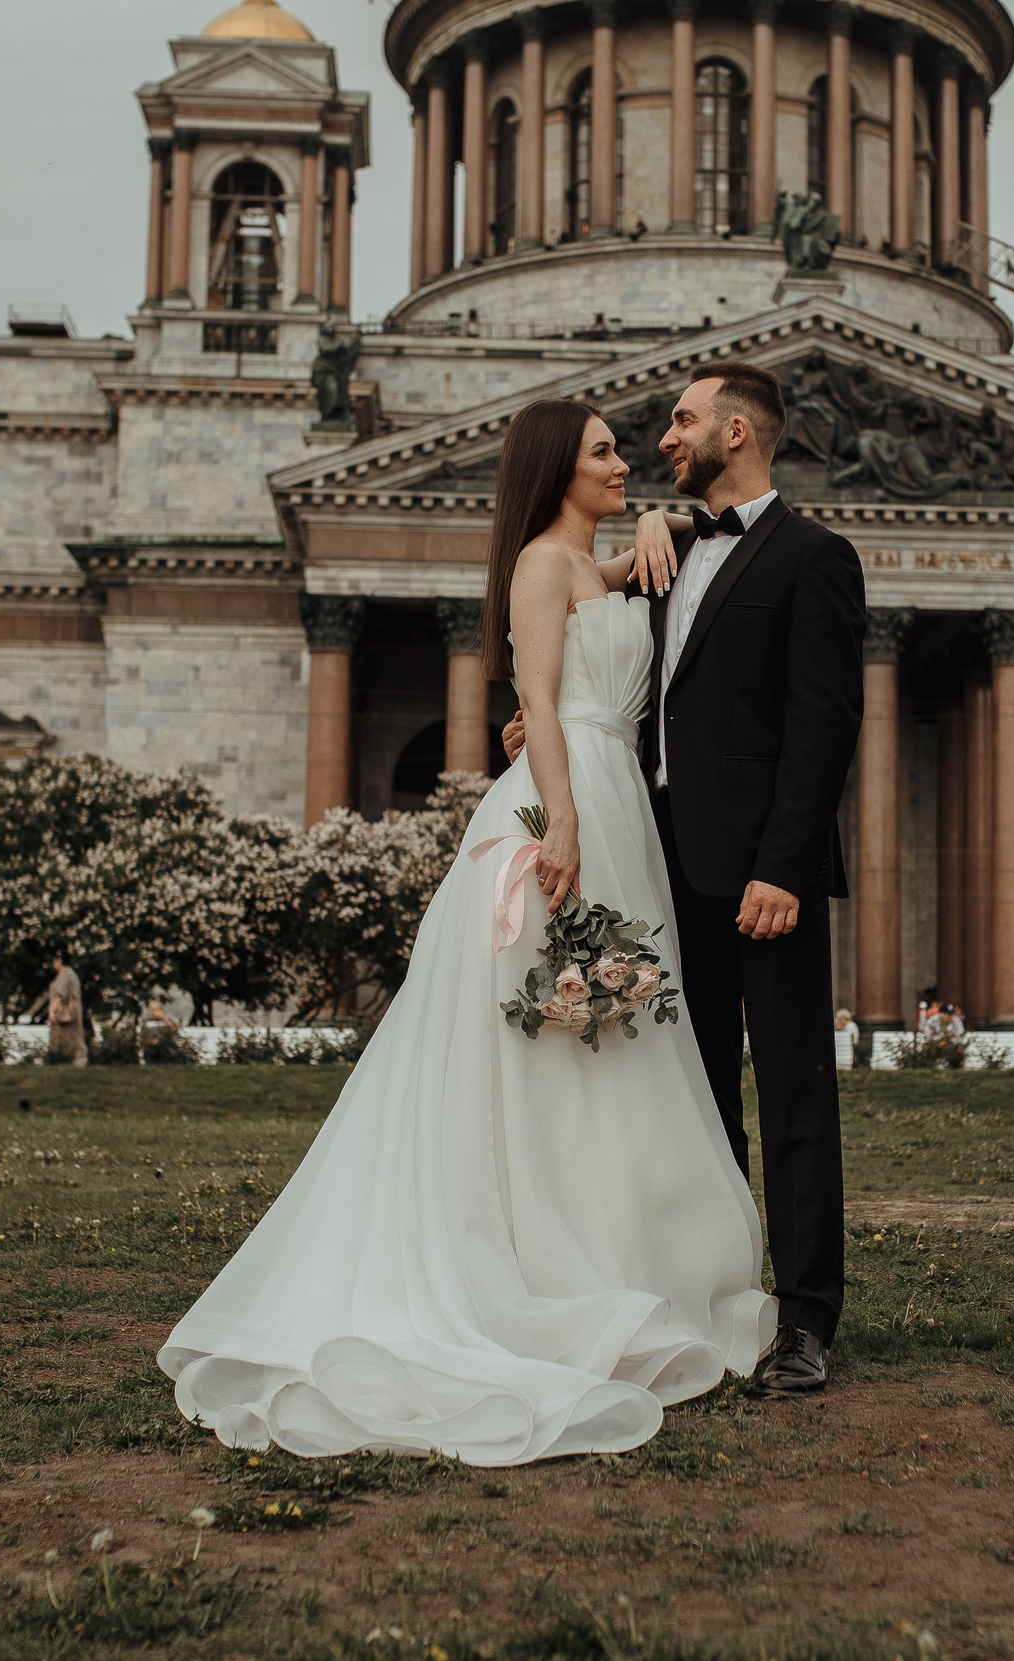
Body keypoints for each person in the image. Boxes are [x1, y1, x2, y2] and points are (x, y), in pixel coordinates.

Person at [163, 395, 779, 1467]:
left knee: (607, 1030)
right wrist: (562, 823)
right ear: (556, 468)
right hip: (565, 804)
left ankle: (607, 1251)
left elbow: (682, 557)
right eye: (603, 453)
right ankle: (537, 1257)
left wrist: (659, 522)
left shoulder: (597, 560)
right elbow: (539, 701)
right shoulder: (541, 565)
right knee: (551, 1031)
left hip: (611, 798)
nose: (624, 462)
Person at [504, 362, 865, 1399]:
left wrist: (784, 866)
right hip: (655, 864)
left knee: (792, 1094)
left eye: (682, 420)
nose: (663, 438)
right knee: (690, 1100)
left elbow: (823, 724)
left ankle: (806, 1319)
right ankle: (715, 1297)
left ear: (736, 431)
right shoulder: (665, 555)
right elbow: (607, 675)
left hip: (760, 876)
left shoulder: (814, 557)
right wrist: (544, 725)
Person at [23, 955, 87, 1066]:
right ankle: (73, 1062)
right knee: (74, 1038)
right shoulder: (71, 974)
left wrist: (51, 1010)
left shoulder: (65, 974)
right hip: (73, 1012)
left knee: (68, 1039)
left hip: (66, 1013)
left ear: (59, 961)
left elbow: (60, 994)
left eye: (54, 961)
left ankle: (74, 1062)